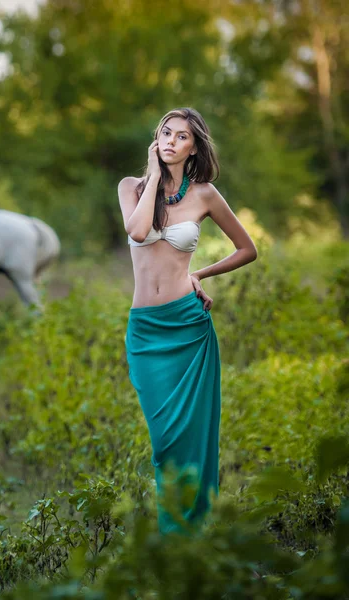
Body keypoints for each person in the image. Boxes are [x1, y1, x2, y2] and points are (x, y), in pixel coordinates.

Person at [118, 107, 258, 535]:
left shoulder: (205, 195)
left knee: (191, 441)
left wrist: (198, 273)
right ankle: (177, 531)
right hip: (145, 331)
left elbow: (246, 249)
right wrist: (156, 176)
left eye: (182, 137)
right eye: (166, 133)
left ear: (194, 147)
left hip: (188, 327)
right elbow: (139, 231)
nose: (171, 141)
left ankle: (186, 540)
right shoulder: (131, 187)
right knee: (164, 443)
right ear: (155, 139)